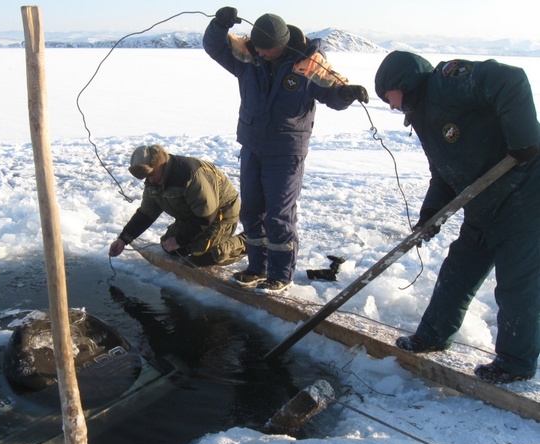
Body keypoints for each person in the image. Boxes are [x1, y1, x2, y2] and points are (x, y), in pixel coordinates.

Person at [374, 51, 540, 384]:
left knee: (517, 285)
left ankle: (515, 362)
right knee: (458, 271)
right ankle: (432, 335)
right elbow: (445, 171)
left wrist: (525, 141)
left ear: (401, 83)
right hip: (484, 202)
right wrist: (431, 214)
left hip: (525, 195)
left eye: (387, 96)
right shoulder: (422, 116)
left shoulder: (445, 84)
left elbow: (511, 79)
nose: (390, 106)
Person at [203, 7, 369, 294]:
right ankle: (257, 268)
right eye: (259, 49)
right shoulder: (248, 55)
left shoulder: (308, 62)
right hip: (253, 145)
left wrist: (347, 93)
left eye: (268, 50)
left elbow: (333, 91)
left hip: (286, 150)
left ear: (282, 44)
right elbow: (215, 46)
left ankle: (281, 274)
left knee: (279, 214)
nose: (263, 54)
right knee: (252, 211)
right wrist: (219, 24)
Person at [108, 144, 246, 266]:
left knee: (203, 256)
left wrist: (180, 239)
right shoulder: (153, 181)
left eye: (151, 174)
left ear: (159, 164)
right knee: (171, 248)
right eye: (146, 177)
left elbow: (206, 215)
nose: (149, 180)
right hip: (193, 216)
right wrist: (123, 239)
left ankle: (247, 242)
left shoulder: (189, 175)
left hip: (220, 214)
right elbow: (146, 213)